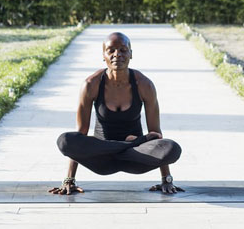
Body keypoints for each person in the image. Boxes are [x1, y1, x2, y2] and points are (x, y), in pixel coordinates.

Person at [51, 31, 183, 195]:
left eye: (123, 49)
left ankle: (131, 145)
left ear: (131, 54)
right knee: (65, 141)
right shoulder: (91, 84)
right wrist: (69, 179)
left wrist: (166, 178)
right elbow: (80, 134)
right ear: (103, 55)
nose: (117, 55)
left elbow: (156, 134)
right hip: (102, 158)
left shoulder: (144, 85)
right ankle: (130, 143)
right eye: (111, 50)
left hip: (136, 158)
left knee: (172, 148)